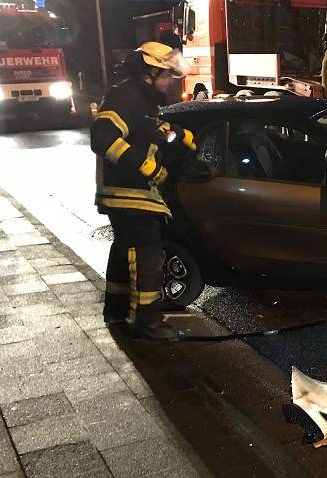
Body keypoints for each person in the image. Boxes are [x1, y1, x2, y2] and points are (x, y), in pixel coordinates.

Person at [90, 42, 195, 341]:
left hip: (129, 192)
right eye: (165, 75)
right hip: (129, 192)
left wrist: (178, 135)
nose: (169, 82)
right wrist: (147, 169)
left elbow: (147, 131)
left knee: (125, 250)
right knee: (148, 254)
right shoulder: (127, 96)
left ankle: (117, 310)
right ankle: (146, 320)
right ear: (150, 71)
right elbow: (103, 137)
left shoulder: (142, 100)